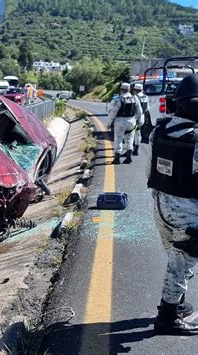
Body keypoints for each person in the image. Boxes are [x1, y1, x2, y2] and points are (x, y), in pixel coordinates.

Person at [147, 73, 198, 335]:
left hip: (160, 206)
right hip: (188, 214)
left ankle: (176, 304)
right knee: (181, 264)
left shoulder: (159, 130)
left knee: (177, 259)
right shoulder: (195, 137)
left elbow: (149, 172)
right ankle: (167, 317)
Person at [107, 82, 142, 164]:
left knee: (118, 139)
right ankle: (129, 157)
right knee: (130, 139)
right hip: (131, 121)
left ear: (121, 90)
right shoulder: (134, 98)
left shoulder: (119, 99)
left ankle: (117, 158)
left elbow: (113, 113)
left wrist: (110, 123)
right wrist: (139, 121)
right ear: (129, 90)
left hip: (120, 122)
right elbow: (139, 111)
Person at [130, 83, 148, 155]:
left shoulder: (135, 97)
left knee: (132, 134)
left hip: (135, 118)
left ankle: (132, 149)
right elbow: (147, 109)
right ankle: (136, 148)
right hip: (142, 117)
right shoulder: (146, 97)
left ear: (135, 90)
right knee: (138, 133)